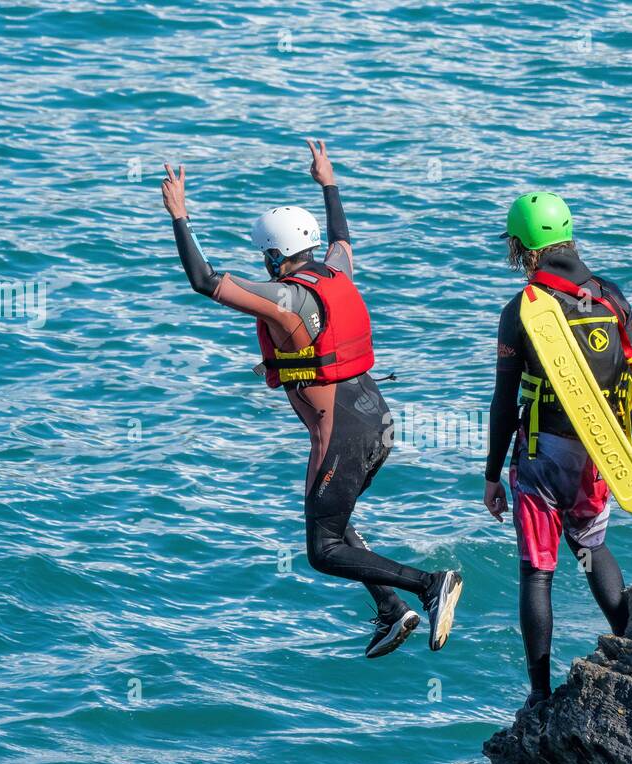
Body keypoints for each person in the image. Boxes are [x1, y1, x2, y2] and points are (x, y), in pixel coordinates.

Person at [161, 140, 461, 658]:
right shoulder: (335, 271)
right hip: (376, 420)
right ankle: (392, 611)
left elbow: (204, 281)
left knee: (323, 550)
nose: (265, 262)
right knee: (338, 528)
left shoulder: (285, 299)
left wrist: (180, 216)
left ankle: (430, 584)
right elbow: (342, 236)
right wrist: (328, 182)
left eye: (265, 255)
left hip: (339, 434)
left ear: (276, 255)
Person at [482, 192, 632, 708]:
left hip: (541, 454)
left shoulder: (520, 312)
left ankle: (540, 695)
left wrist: (491, 475)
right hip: (600, 452)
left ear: (523, 248)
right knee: (591, 548)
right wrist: (623, 452)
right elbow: (630, 378)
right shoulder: (613, 298)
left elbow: (505, 400)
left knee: (537, 570)